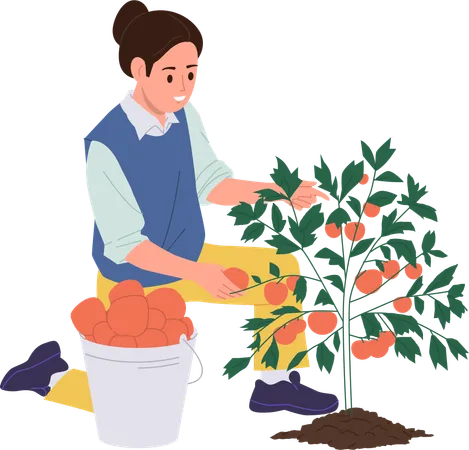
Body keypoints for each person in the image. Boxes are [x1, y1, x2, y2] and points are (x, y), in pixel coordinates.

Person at [0, 0, 340, 417]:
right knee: (141, 403)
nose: (184, 85)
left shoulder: (182, 115)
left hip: (188, 257)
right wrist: (199, 274)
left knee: (283, 271)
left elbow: (214, 185)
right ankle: (50, 375)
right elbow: (126, 246)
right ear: (140, 71)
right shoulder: (106, 145)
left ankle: (275, 383)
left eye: (192, 73)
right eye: (171, 74)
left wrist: (281, 192)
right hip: (132, 282)